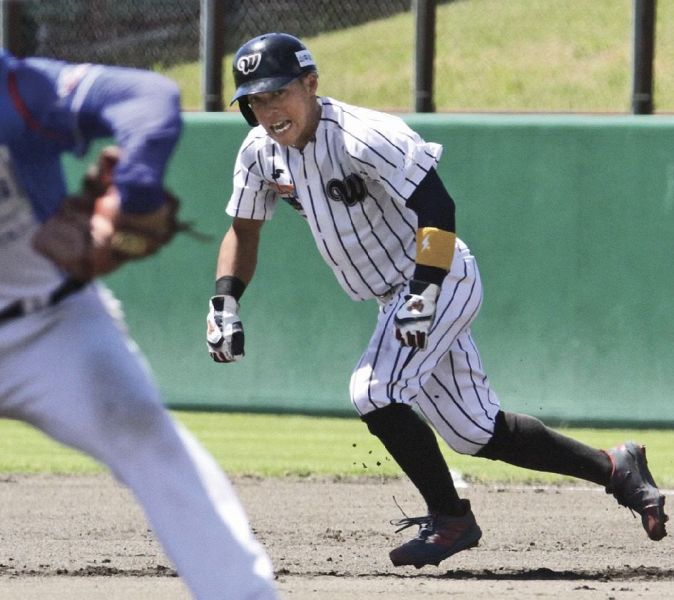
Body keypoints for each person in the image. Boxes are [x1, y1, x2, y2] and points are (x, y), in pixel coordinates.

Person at [206, 32, 668, 569]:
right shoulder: (262, 153)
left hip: (438, 277)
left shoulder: (363, 135)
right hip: (392, 296)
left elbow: (437, 206)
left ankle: (450, 519)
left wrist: (424, 290)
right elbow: (243, 230)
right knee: (475, 431)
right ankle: (617, 468)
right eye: (255, 100)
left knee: (373, 390)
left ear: (310, 84)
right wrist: (225, 301)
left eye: (278, 92)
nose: (268, 110)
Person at [0, 50, 279, 599]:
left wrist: (137, 187)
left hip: (48, 328)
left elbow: (147, 98)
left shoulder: (14, 92)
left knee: (147, 438)